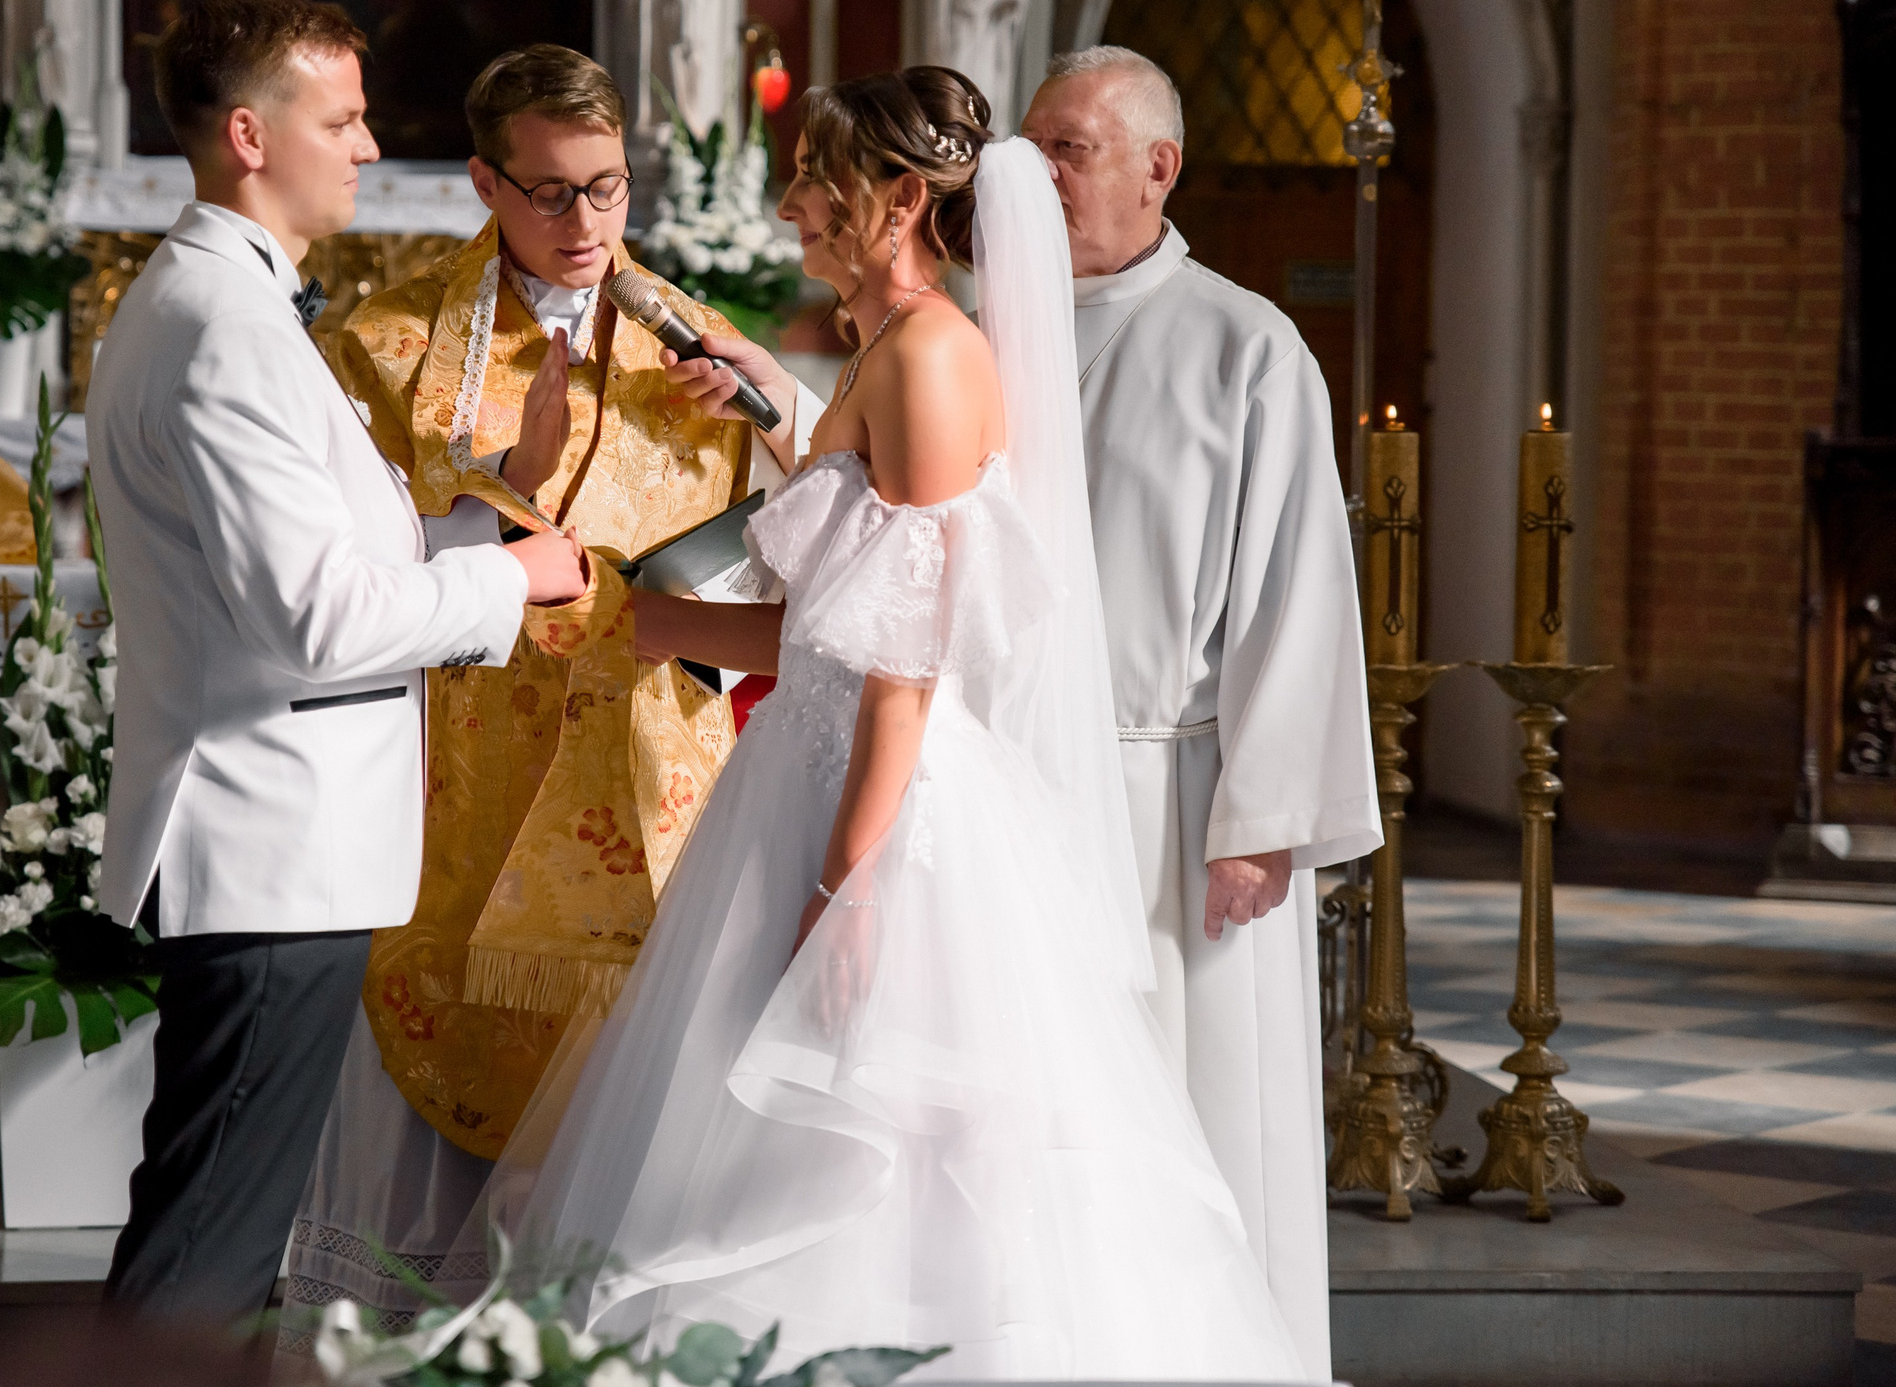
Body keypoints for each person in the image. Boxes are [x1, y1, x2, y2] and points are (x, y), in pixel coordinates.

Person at [486, 69, 1305, 1380]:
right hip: (813, 779)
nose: (791, 206)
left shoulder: (928, 356)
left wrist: (845, 889)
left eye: (817, 180)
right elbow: (831, 634)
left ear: (903, 198)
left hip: (885, 818)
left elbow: (906, 669)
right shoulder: (888, 348)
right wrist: (639, 617)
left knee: (873, 1148)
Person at [280, 45, 814, 1333]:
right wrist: (500, 482)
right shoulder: (388, 344)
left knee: (639, 1083)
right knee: (436, 1045)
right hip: (459, 767)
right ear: (486, 183)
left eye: (608, 187)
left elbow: (839, 522)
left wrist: (769, 406)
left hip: (650, 768)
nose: (586, 222)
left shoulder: (695, 336)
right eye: (552, 192)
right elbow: (345, 573)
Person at [88, 0, 587, 1320]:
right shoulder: (228, 331)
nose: (370, 146)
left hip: (274, 841)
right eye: (343, 119)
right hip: (268, 842)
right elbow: (316, 619)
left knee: (215, 1230)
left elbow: (321, 552)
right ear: (250, 135)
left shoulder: (219, 301)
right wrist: (514, 577)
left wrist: (492, 506)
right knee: (210, 1251)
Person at [1022, 45, 1379, 1379]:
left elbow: (1299, 593)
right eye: (1033, 149)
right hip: (1023, 792)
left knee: (1195, 1111)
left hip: (1174, 799)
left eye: (1070, 150)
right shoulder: (992, 329)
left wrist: (1263, 820)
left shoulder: (1247, 345)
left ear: (1157, 168)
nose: (1042, 174)